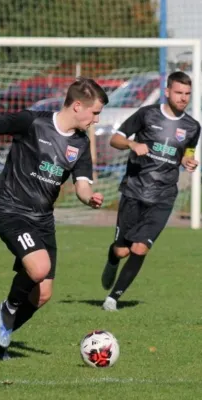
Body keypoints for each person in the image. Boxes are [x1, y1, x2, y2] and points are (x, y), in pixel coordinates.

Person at [0, 77, 108, 360]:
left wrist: (88, 196)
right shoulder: (33, 122)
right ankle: (7, 311)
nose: (97, 119)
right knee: (38, 268)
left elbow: (81, 184)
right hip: (10, 207)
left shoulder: (79, 143)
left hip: (42, 217)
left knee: (42, 294)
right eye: (95, 112)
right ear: (78, 106)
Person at [100, 71, 200, 311]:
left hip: (163, 196)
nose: (183, 98)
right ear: (167, 92)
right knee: (122, 249)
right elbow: (115, 139)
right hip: (134, 191)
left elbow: (188, 151)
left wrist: (189, 160)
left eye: (187, 94)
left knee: (140, 247)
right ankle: (112, 259)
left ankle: (113, 298)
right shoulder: (147, 114)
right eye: (178, 92)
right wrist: (133, 143)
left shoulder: (192, 127)